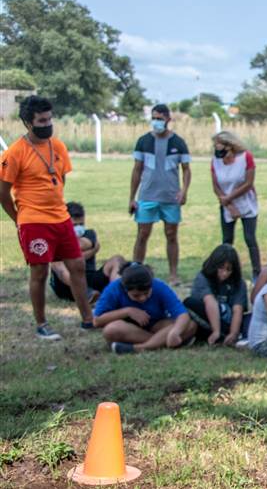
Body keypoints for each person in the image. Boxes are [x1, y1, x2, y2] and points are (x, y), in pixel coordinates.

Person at [0, 96, 95, 339]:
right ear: (28, 123)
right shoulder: (15, 153)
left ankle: (87, 319)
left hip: (60, 218)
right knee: (39, 272)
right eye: (42, 120)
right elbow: (3, 192)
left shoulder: (58, 146)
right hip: (33, 221)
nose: (48, 124)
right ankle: (42, 324)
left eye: (50, 118)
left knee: (77, 266)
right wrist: (19, 218)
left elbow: (61, 180)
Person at [129, 104, 191, 285]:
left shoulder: (178, 143)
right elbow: (137, 170)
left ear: (168, 120)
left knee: (171, 234)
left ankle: (173, 274)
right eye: (154, 118)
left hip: (170, 197)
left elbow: (186, 170)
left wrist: (184, 191)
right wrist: (132, 198)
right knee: (142, 234)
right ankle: (135, 269)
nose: (156, 122)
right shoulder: (143, 141)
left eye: (160, 119)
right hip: (147, 196)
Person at [94, 263, 197, 354]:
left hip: (156, 325)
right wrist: (128, 311)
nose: (142, 298)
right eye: (136, 295)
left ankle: (140, 348)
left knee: (190, 325)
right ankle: (160, 342)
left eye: (146, 293)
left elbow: (182, 314)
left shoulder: (159, 286)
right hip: (128, 329)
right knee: (110, 330)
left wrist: (175, 332)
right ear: (125, 289)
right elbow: (97, 321)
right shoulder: (114, 288)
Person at [49, 202, 125, 304]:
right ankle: (85, 292)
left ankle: (115, 294)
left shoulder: (89, 233)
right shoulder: (56, 236)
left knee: (117, 259)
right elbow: (57, 258)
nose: (79, 228)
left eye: (81, 224)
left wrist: (66, 255)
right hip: (66, 285)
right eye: (74, 225)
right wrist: (93, 250)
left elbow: (82, 245)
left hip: (89, 278)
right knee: (57, 263)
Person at [210, 131, 260, 279]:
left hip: (246, 202)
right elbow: (215, 186)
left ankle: (256, 271)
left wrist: (230, 197)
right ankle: (226, 270)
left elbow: (248, 183)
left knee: (250, 238)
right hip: (226, 204)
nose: (216, 148)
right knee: (227, 240)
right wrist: (227, 204)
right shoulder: (215, 161)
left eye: (218, 145)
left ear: (229, 146)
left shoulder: (246, 158)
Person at [185, 244, 250, 347]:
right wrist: (216, 331)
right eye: (221, 268)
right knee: (190, 303)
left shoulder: (239, 283)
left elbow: (238, 309)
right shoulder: (203, 277)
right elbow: (209, 301)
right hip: (208, 319)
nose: (224, 273)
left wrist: (233, 333)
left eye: (228, 270)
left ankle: (231, 336)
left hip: (229, 323)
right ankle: (218, 335)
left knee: (251, 318)